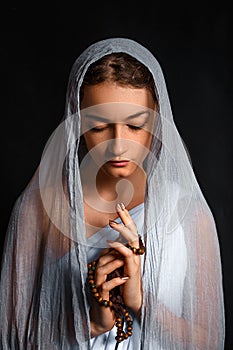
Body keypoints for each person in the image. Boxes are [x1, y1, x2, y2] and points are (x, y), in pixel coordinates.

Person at [0, 37, 225, 349]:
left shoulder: (189, 215)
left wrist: (140, 302)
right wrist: (92, 321)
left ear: (157, 118)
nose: (118, 145)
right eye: (98, 126)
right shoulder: (37, 210)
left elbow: (209, 342)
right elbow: (14, 339)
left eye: (135, 126)